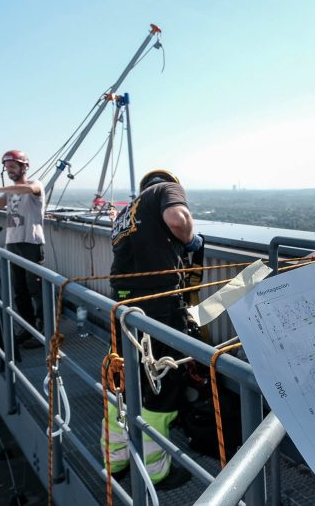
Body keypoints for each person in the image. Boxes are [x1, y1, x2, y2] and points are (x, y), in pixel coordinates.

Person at [101, 169, 203, 488]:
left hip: (122, 303)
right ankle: (156, 471)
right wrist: (191, 240)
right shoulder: (165, 190)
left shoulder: (125, 212)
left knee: (122, 378)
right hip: (157, 305)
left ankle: (114, 461)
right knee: (162, 382)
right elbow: (177, 219)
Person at [0, 150, 46, 349]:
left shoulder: (35, 185)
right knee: (19, 291)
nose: (10, 171)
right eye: (7, 168)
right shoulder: (11, 192)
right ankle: (27, 327)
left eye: (13, 167)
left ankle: (43, 331)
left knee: (36, 290)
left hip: (30, 243)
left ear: (24, 167)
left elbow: (28, 189)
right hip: (12, 244)